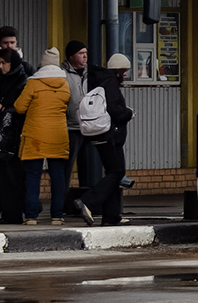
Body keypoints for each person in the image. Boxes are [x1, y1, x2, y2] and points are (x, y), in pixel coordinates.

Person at [75, 54, 134, 227]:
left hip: (98, 134)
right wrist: (129, 114)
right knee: (117, 173)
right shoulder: (111, 84)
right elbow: (116, 111)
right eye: (124, 71)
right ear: (119, 71)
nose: (125, 75)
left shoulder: (98, 81)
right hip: (111, 136)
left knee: (112, 174)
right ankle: (88, 201)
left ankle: (112, 216)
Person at [14, 48, 71, 224]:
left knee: (33, 175)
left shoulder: (33, 83)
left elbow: (19, 107)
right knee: (58, 176)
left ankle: (31, 216)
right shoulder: (65, 83)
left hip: (35, 135)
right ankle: (57, 215)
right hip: (58, 134)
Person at [0, 46, 29, 224]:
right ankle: (8, 213)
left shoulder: (22, 82)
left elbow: (23, 109)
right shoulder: (3, 80)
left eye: (4, 63)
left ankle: (14, 213)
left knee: (13, 177)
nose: (1, 66)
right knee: (3, 177)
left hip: (15, 136)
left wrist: (3, 109)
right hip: (3, 137)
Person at [62, 40, 100, 199]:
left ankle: (85, 200)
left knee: (88, 167)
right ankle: (62, 199)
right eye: (81, 53)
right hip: (71, 127)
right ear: (71, 56)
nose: (85, 56)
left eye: (86, 53)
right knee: (67, 166)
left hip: (88, 126)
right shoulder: (62, 74)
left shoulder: (90, 73)